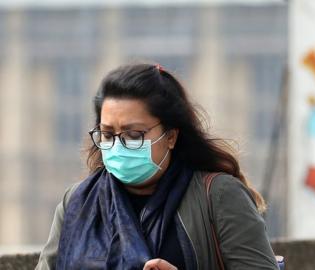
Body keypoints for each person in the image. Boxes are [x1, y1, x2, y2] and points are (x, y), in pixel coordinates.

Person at [35, 63, 279, 270]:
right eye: (107, 134)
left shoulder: (218, 196)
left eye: (134, 134)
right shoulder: (77, 202)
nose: (118, 145)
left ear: (170, 136)